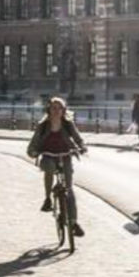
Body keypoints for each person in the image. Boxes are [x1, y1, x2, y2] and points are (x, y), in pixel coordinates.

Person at [26, 97, 87, 237]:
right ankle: (48, 199)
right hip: (48, 155)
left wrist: (82, 147)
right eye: (53, 107)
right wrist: (32, 151)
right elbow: (34, 142)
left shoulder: (68, 124)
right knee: (49, 168)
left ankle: (73, 222)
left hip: (65, 155)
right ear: (49, 109)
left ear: (63, 110)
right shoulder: (43, 125)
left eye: (59, 108)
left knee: (70, 191)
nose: (56, 110)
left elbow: (78, 138)